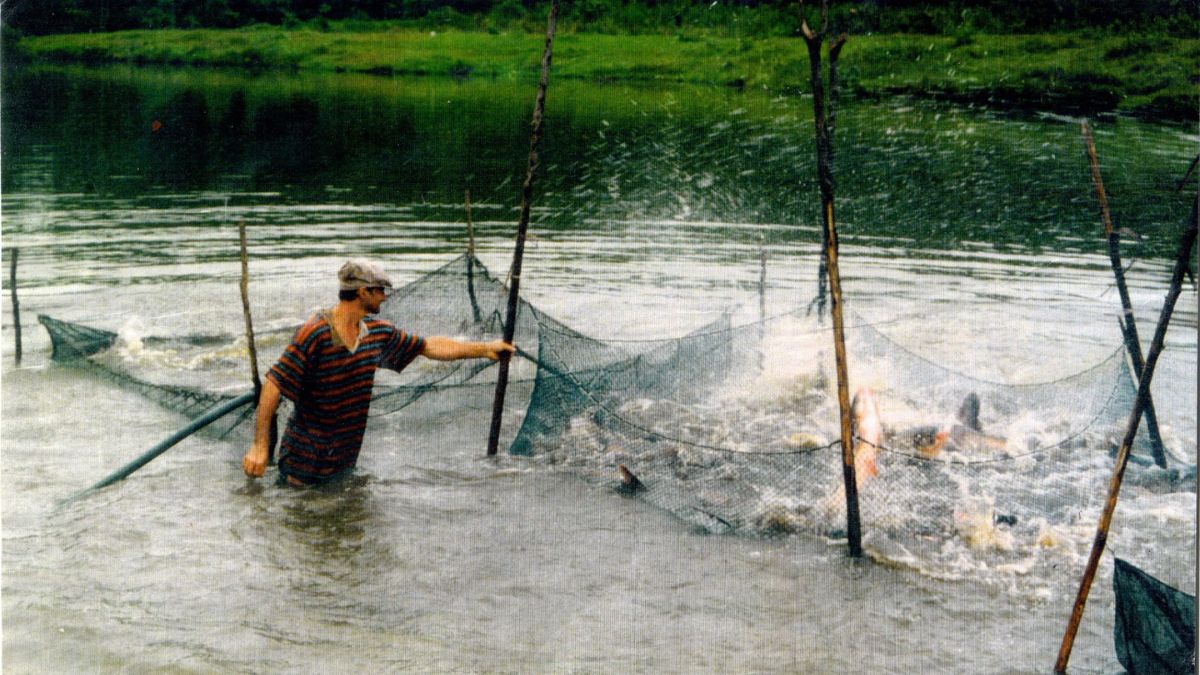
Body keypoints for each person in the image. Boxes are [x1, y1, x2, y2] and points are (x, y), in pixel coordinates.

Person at [242, 259, 514, 486]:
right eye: (380, 290)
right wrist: (260, 446)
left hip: (343, 462)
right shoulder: (316, 332)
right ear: (363, 292)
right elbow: (274, 382)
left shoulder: (376, 332)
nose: (385, 296)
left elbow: (427, 346)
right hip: (303, 465)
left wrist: (484, 348)